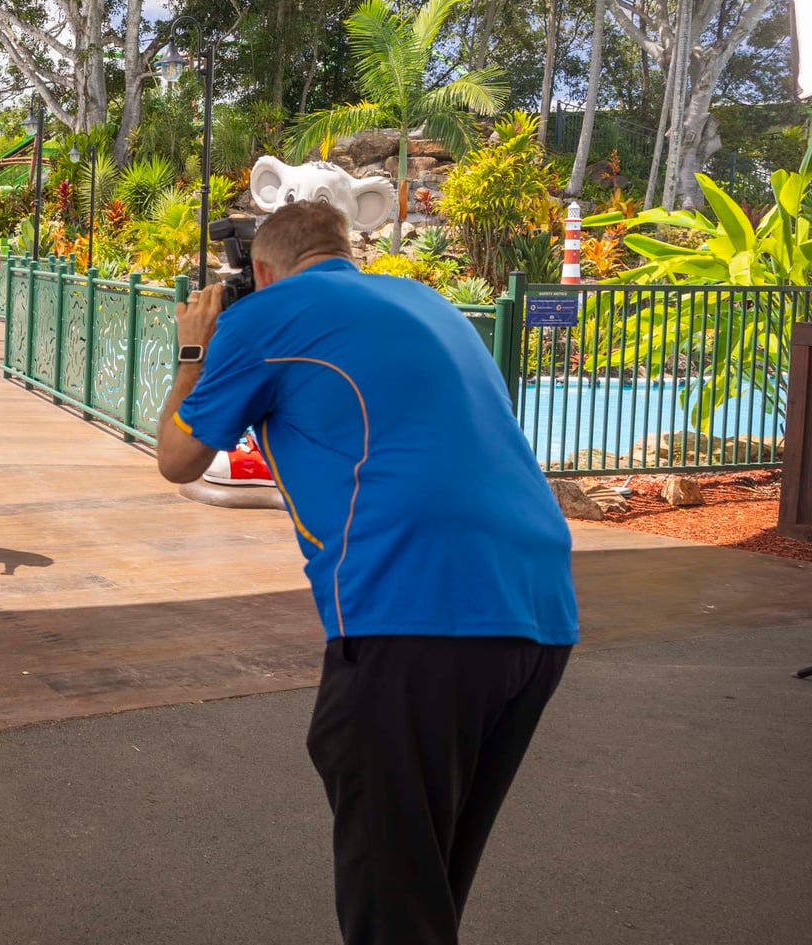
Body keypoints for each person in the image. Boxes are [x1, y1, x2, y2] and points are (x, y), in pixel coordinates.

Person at [153, 200, 578, 945]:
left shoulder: (268, 316)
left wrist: (195, 348)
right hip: (538, 610)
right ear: (345, 248)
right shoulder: (429, 300)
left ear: (261, 270)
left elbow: (177, 458)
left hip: (413, 609)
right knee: (426, 880)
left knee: (393, 902)